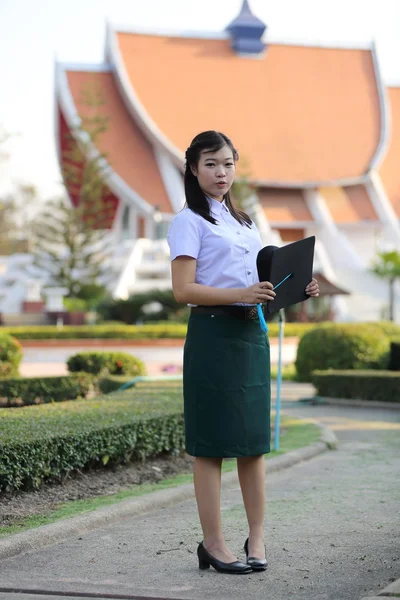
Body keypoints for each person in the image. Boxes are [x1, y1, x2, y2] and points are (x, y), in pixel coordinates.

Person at [167, 131, 319, 575]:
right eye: (212, 164)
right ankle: (213, 543)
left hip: (252, 335)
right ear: (194, 169)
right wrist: (241, 293)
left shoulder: (247, 222)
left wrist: (296, 289)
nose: (222, 173)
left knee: (253, 446)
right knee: (211, 446)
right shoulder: (188, 222)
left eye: (229, 164)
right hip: (213, 336)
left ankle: (256, 536)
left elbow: (263, 286)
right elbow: (183, 290)